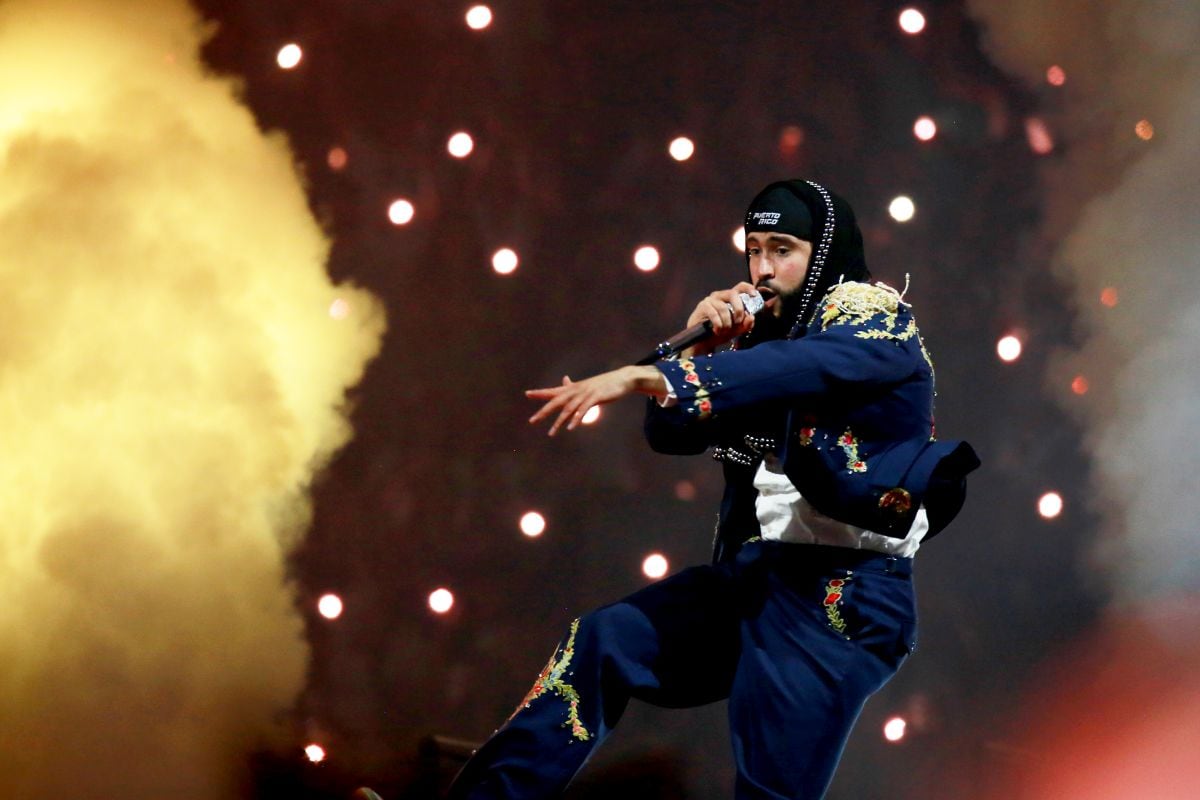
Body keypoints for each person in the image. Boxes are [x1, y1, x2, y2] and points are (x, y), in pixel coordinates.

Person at [446, 179, 980, 800]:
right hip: (759, 579)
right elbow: (671, 434)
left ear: (824, 252)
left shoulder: (873, 316)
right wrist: (699, 343)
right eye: (753, 251)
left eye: (783, 250)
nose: (762, 270)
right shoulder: (761, 344)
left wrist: (647, 376)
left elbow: (805, 368)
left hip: (840, 597)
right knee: (602, 641)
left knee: (769, 790)